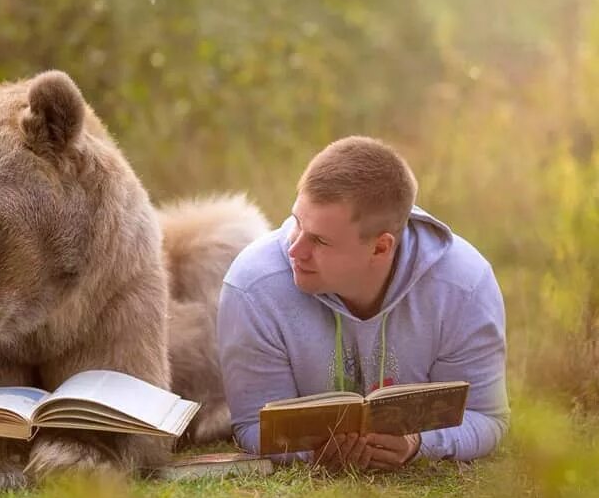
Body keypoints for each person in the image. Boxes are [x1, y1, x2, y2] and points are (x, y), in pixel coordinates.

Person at [217, 136, 509, 470]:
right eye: (298, 223)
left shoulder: (464, 286)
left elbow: (487, 418)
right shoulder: (252, 287)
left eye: (320, 241)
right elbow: (253, 426)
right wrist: (316, 452)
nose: (295, 250)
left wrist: (419, 444)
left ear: (380, 248)